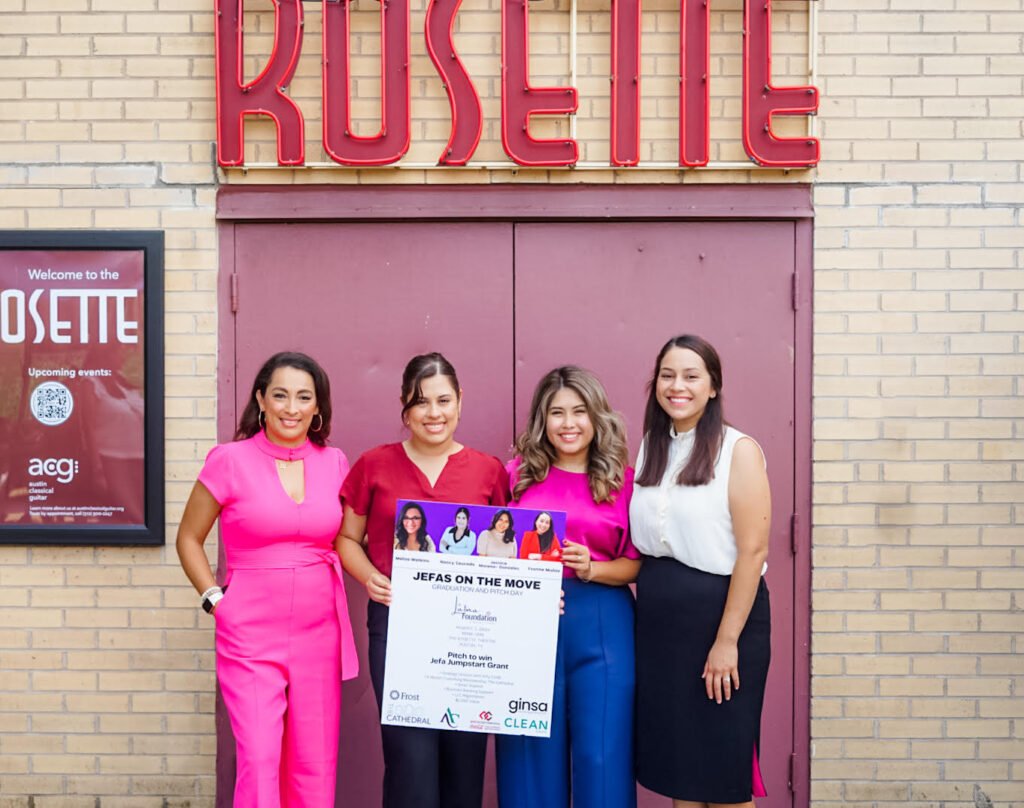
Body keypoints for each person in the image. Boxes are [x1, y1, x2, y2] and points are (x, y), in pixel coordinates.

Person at [175, 351, 357, 808]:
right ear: (260, 398)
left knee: (313, 766)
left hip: (320, 634)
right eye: (280, 395)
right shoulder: (229, 460)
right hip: (249, 635)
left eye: (303, 397)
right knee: (258, 759)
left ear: (318, 407)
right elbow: (188, 538)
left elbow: (352, 539)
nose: (291, 408)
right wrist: (218, 601)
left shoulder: (335, 462)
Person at [338, 352, 510, 808]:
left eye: (443, 401)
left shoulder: (489, 471)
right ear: (404, 407)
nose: (433, 413)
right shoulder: (374, 465)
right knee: (409, 757)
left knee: (464, 757)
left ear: (459, 403)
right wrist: (370, 577)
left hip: (469, 631)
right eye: (421, 402)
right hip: (398, 625)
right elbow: (346, 539)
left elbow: (506, 554)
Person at [630, 335, 771, 808]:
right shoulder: (652, 446)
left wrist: (727, 640)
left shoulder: (739, 450)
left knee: (724, 775)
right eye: (668, 375)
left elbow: (752, 552)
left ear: (713, 387)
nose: (677, 386)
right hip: (661, 629)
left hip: (721, 622)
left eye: (691, 376)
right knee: (681, 773)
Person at [497, 366, 640, 808]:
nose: (568, 423)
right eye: (556, 412)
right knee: (527, 754)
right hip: (526, 624)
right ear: (543, 419)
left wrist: (592, 569)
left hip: (603, 623)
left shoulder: (624, 481)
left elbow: (636, 566)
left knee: (603, 756)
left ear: (596, 416)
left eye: (579, 411)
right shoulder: (515, 475)